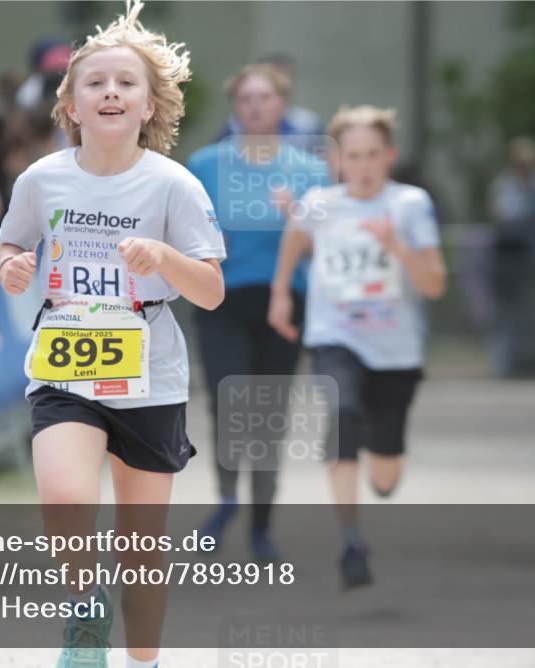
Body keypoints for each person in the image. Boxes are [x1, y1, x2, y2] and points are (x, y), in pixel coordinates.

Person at [0, 3, 225, 667]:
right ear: (71, 104)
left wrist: (164, 260)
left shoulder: (172, 185)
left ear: (150, 106)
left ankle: (142, 660)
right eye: (94, 83)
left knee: (142, 545)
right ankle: (85, 611)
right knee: (66, 496)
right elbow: (12, 243)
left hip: (149, 375)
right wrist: (12, 268)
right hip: (65, 363)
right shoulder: (42, 179)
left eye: (126, 83)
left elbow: (209, 289)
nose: (111, 93)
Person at [268, 105, 447, 589]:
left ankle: (381, 456)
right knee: (342, 417)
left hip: (396, 352)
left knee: (385, 477)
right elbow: (294, 238)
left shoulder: (410, 204)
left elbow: (435, 285)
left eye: (372, 155)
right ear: (337, 160)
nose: (363, 166)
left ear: (388, 156)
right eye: (353, 156)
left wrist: (397, 248)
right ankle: (351, 540)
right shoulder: (320, 203)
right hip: (337, 338)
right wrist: (281, 293)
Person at [187, 62, 329, 562]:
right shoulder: (204, 165)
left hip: (284, 302)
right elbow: (181, 233)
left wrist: (298, 219)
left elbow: (326, 247)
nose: (254, 107)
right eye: (245, 98)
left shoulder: (310, 170)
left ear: (282, 105)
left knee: (268, 414)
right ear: (234, 106)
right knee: (229, 406)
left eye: (264, 98)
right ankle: (227, 501)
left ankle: (262, 527)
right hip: (222, 301)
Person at [487, 136, 535, 378]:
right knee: (505, 313)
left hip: (531, 257)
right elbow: (505, 217)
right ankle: (503, 366)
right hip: (506, 257)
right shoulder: (504, 186)